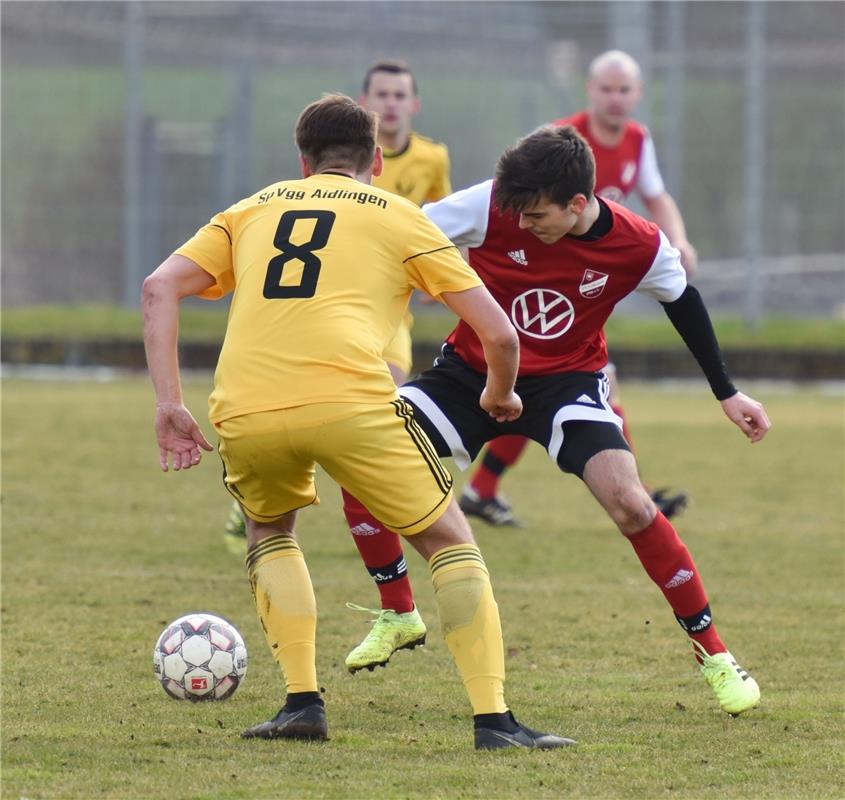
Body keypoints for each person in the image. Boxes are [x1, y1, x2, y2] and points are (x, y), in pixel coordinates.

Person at [142, 93, 574, 750]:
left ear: (302, 160)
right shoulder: (399, 216)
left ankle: (300, 705)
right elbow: (501, 335)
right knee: (448, 541)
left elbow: (157, 287)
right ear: (375, 160)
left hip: (247, 404)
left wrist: (169, 403)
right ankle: (494, 721)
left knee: (268, 528)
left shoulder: (250, 210)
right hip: (349, 400)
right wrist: (501, 397)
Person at [351, 124, 770, 716]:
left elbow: (684, 303)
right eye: (515, 213)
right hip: (469, 374)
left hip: (567, 384)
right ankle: (397, 611)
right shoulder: (489, 204)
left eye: (536, 215)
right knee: (363, 448)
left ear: (578, 204)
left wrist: (727, 393)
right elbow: (397, 235)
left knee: (631, 503)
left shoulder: (639, 244)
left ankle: (716, 655)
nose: (522, 225)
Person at [223, 60, 454, 675]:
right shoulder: (336, 179)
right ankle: (397, 606)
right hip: (320, 329)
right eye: (383, 94)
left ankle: (395, 606)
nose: (394, 102)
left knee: (357, 447)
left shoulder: (430, 162)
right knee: (349, 440)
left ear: (415, 103)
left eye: (402, 93)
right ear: (369, 107)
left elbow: (445, 225)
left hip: (385, 331)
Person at [460, 49, 696, 527]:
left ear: (637, 94)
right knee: (579, 386)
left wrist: (679, 241)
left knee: (543, 391)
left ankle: (482, 489)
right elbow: (504, 201)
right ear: (590, 91)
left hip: (579, 289)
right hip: (533, 285)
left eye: (624, 89)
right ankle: (636, 493)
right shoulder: (559, 143)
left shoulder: (637, 140)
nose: (615, 98)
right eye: (605, 88)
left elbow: (656, 195)